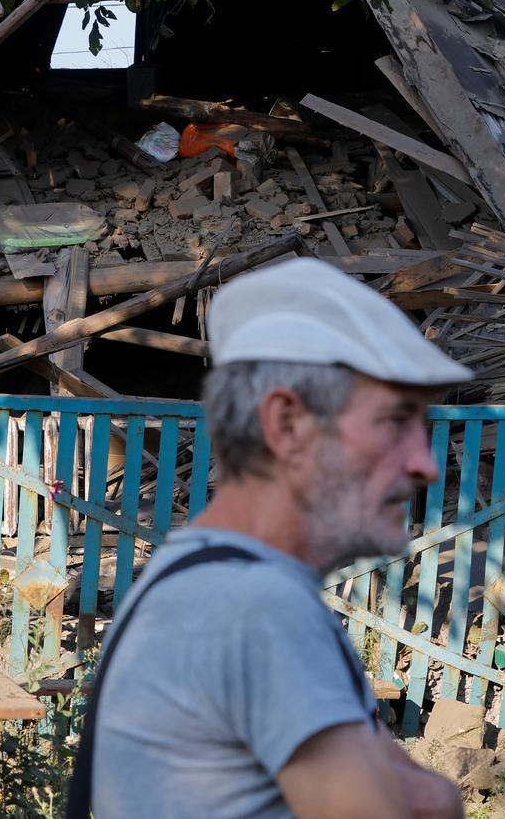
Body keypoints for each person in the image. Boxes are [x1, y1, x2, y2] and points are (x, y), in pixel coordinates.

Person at [70, 258, 472, 818]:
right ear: (287, 425)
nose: (425, 464)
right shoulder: (257, 607)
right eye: (394, 421)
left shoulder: (196, 577)